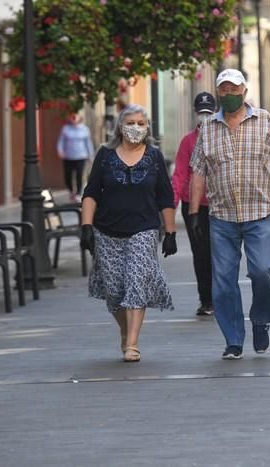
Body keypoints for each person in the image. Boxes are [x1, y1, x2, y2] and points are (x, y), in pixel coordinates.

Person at [188, 68, 270, 360]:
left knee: (261, 271)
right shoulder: (208, 128)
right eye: (224, 90)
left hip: (259, 213)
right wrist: (194, 213)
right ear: (218, 92)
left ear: (244, 92)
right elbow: (198, 172)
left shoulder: (264, 121)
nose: (230, 95)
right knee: (222, 281)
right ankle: (233, 339)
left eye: (235, 90)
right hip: (221, 217)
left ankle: (261, 319)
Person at [80, 104, 177, 363]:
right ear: (120, 127)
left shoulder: (154, 157)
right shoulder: (105, 155)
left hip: (143, 230)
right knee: (113, 291)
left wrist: (170, 232)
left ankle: (132, 343)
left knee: (136, 283)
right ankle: (125, 330)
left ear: (148, 128)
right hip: (107, 231)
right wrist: (86, 227)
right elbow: (91, 193)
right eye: (131, 122)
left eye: (141, 123)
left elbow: (165, 197)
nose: (136, 128)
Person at [171, 92, 216, 317]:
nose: (205, 116)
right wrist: (171, 206)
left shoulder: (222, 137)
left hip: (220, 205)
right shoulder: (188, 141)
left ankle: (221, 297)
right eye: (202, 112)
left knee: (220, 252)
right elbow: (179, 175)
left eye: (209, 112)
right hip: (194, 206)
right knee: (200, 252)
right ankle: (206, 299)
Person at [56, 113, 95, 202]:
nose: (73, 119)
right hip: (68, 156)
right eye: (72, 117)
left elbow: (88, 143)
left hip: (81, 156)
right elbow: (61, 141)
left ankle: (78, 193)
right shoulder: (65, 129)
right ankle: (71, 190)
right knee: (67, 176)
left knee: (79, 175)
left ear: (79, 118)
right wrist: (60, 151)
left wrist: (90, 155)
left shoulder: (85, 129)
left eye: (75, 117)